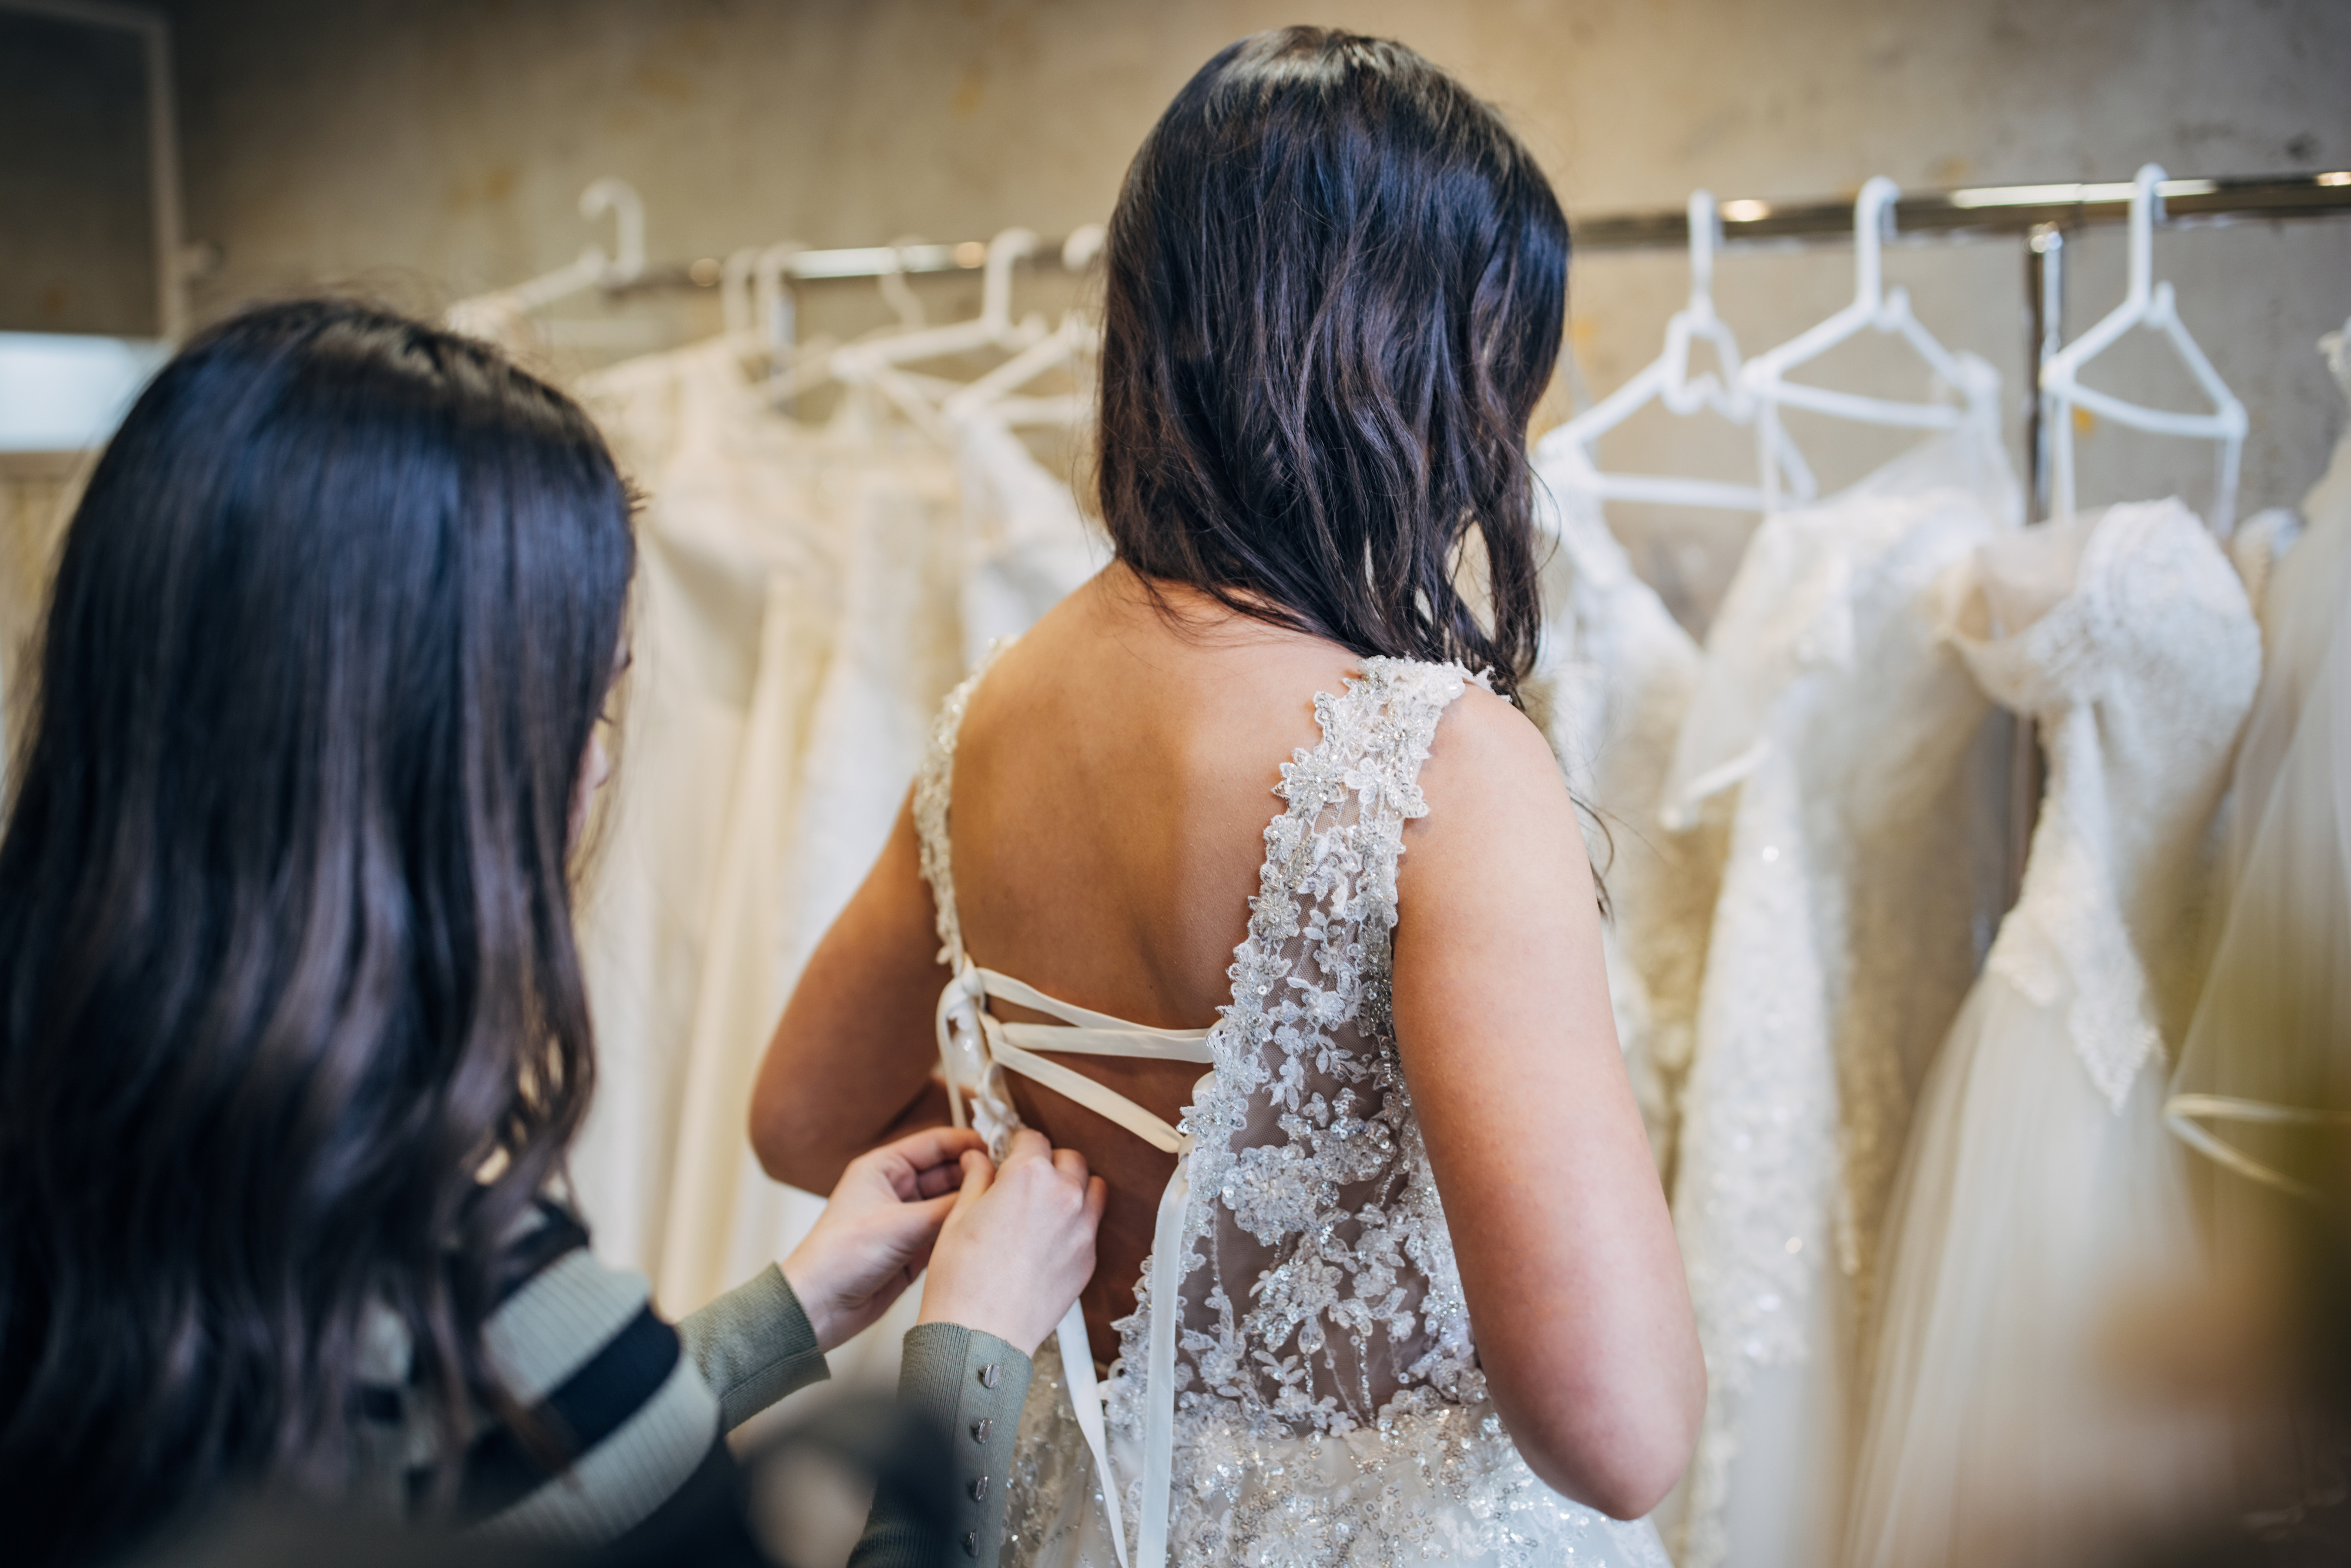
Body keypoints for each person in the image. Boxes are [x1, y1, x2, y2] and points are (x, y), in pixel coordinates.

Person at [752, 26, 1703, 1568]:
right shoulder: (1430, 761)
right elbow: (1621, 1432)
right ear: (1407, 367)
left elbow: (802, 1118)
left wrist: (1080, 1177)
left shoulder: (987, 720)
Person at [0, 299, 1103, 1568]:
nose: (595, 770)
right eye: (591, 701)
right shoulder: (469, 1283)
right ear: (449, 763)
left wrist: (782, 1313)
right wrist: (968, 1353)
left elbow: (461, 1475)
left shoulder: (115, 1174)